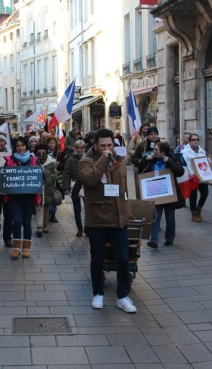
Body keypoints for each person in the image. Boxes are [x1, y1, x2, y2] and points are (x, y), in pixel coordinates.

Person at [79, 128, 136, 313]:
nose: (107, 148)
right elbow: (90, 180)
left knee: (123, 259)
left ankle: (123, 296)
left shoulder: (119, 160)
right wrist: (104, 158)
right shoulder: (85, 161)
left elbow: (123, 187)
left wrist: (126, 210)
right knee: (97, 259)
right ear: (95, 145)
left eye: (109, 145)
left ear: (114, 144)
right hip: (97, 219)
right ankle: (98, 293)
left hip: (119, 217)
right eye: (102, 145)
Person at [139, 142, 185, 248]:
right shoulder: (151, 160)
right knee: (155, 216)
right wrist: (145, 160)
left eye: (156, 150)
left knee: (170, 217)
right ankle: (154, 240)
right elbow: (141, 172)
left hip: (169, 193)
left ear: (163, 152)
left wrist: (169, 162)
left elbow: (180, 172)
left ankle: (169, 238)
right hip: (156, 192)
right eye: (154, 149)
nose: (154, 151)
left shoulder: (172, 158)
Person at [3, 136, 41, 259]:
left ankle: (26, 248)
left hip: (29, 197)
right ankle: (16, 248)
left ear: (26, 146)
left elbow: (42, 177)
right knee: (17, 221)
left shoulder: (34, 160)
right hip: (14, 197)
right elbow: (4, 177)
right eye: (18, 146)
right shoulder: (10, 161)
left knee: (27, 222)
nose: (20, 148)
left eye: (22, 145)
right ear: (15, 147)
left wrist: (37, 178)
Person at [182, 133, 209, 222]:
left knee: (205, 193)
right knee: (193, 195)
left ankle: (199, 208)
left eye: (197, 139)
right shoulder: (185, 152)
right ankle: (193, 212)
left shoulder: (203, 151)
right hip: (191, 176)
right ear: (189, 141)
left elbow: (207, 163)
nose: (196, 141)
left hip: (201, 175)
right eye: (193, 140)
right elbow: (183, 164)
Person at [62, 140, 86, 237]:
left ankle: (88, 227)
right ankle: (79, 228)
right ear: (75, 148)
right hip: (74, 186)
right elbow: (66, 174)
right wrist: (66, 187)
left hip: (86, 187)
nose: (80, 150)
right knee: (77, 209)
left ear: (84, 148)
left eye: (81, 148)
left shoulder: (88, 158)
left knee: (88, 209)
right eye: (78, 148)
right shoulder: (70, 160)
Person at [35, 143, 59, 236]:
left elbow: (55, 174)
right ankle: (39, 227)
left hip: (48, 189)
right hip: (38, 189)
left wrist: (48, 178)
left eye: (43, 152)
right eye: (39, 153)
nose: (41, 155)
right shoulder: (34, 162)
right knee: (39, 208)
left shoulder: (51, 163)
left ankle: (45, 225)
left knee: (46, 209)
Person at [132, 125, 157, 199]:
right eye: (151, 134)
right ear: (148, 135)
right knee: (140, 188)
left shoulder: (162, 144)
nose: (153, 136)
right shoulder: (142, 145)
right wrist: (141, 160)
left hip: (156, 170)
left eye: (155, 134)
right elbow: (134, 158)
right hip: (143, 170)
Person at [46, 135, 66, 223]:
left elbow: (64, 164)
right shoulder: (44, 152)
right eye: (49, 143)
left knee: (54, 194)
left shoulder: (60, 153)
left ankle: (53, 214)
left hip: (56, 177)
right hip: (47, 177)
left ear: (55, 144)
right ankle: (47, 212)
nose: (51, 145)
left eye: (53, 143)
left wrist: (59, 164)